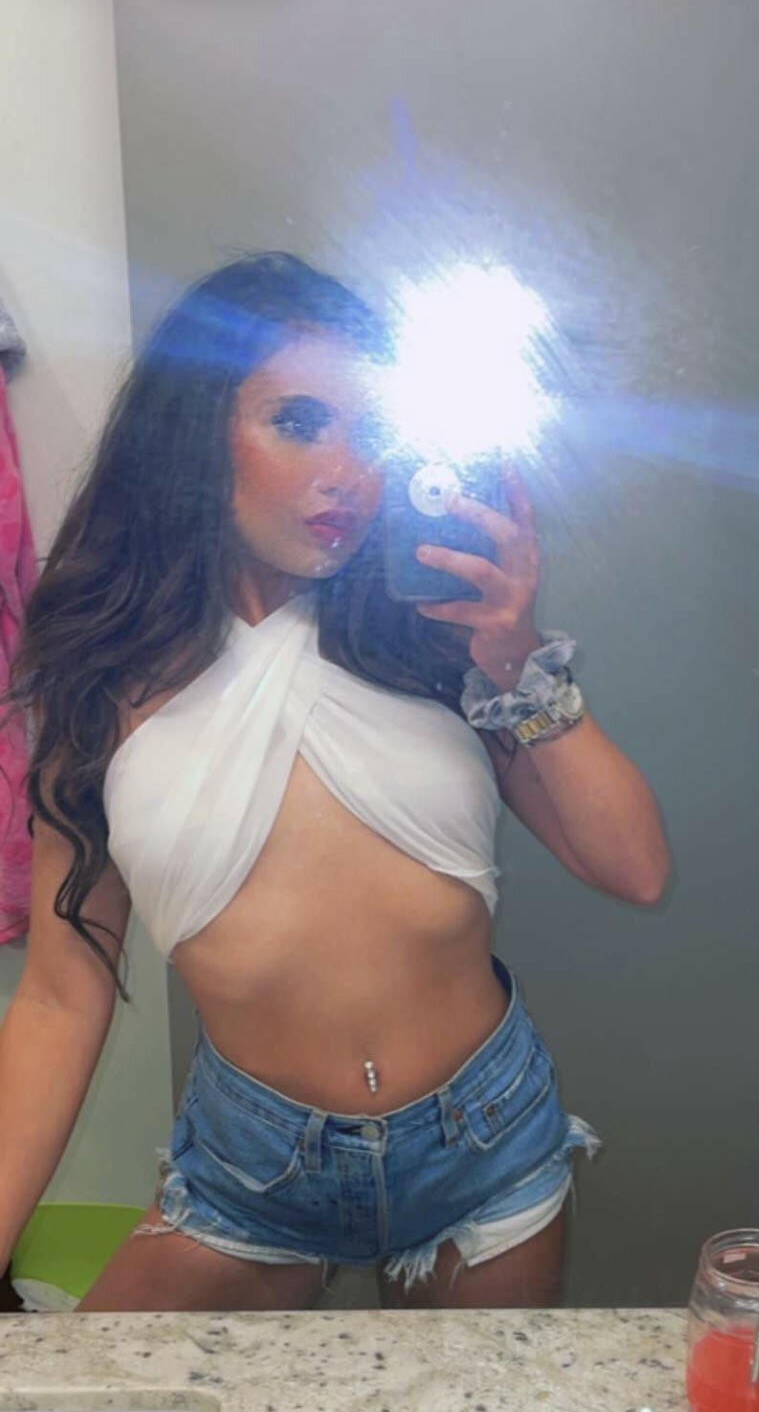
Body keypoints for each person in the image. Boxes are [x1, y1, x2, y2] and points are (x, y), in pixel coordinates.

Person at [0, 252, 669, 1313]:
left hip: (484, 1147)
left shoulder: (429, 634)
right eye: (300, 422)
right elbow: (58, 993)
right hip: (251, 1171)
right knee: (112, 1404)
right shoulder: (104, 679)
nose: (348, 473)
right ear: (195, 431)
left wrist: (515, 656)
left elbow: (633, 867)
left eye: (372, 432)